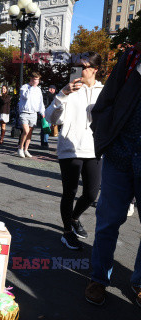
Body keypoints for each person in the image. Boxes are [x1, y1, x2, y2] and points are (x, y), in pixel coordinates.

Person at [84, 44, 141, 306]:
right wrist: (105, 134)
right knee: (108, 221)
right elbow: (105, 101)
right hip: (120, 154)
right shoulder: (133, 57)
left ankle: (138, 281)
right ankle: (99, 277)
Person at [45, 52, 104, 251]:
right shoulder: (68, 90)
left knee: (91, 193)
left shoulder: (103, 91)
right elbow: (51, 118)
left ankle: (74, 218)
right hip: (70, 148)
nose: (79, 70)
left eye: (84, 66)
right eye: (76, 66)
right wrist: (62, 95)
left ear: (95, 69)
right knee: (69, 192)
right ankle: (67, 232)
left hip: (94, 149)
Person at [17, 71, 45, 158]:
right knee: (25, 131)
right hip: (24, 112)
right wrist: (31, 87)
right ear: (31, 79)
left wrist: (42, 112)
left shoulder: (38, 89)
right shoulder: (25, 87)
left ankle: (26, 149)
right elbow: (25, 96)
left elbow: (40, 102)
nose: (37, 82)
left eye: (38, 80)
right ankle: (20, 148)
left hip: (33, 113)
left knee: (29, 133)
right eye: (35, 80)